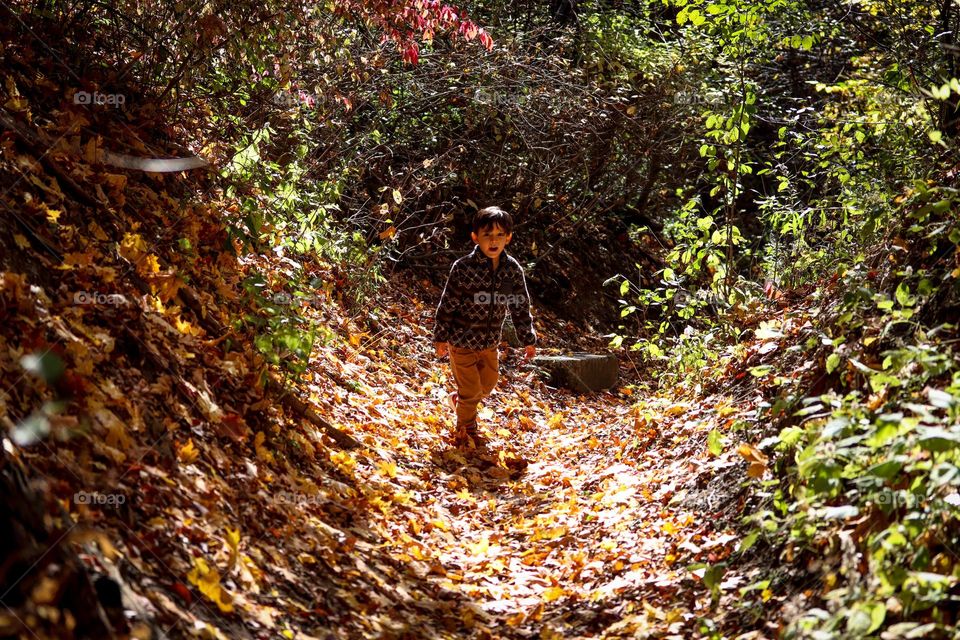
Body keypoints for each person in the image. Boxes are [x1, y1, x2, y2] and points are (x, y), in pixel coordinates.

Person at [434, 206, 537, 447]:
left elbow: (520, 306)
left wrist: (527, 338)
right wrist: (441, 336)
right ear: (475, 237)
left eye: (499, 235)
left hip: (490, 342)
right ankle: (466, 431)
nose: (493, 241)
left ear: (508, 238)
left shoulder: (512, 270)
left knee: (487, 386)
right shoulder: (463, 268)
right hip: (461, 341)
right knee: (471, 391)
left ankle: (459, 402)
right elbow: (448, 303)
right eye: (487, 235)